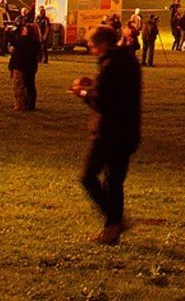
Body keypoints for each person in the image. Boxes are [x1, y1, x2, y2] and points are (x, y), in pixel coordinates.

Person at [73, 25, 142, 245]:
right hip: (128, 129)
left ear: (103, 44)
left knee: (88, 176)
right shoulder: (129, 60)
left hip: (110, 130)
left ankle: (114, 220)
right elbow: (117, 93)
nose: (91, 50)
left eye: (92, 46)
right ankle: (112, 228)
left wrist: (83, 93)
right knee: (114, 180)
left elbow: (104, 101)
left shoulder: (112, 65)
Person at [10, 21, 42, 111]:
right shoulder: (36, 42)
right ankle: (30, 104)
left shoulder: (24, 40)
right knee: (30, 85)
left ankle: (20, 104)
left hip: (21, 66)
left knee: (19, 86)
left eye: (24, 30)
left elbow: (16, 51)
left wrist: (11, 33)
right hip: (31, 67)